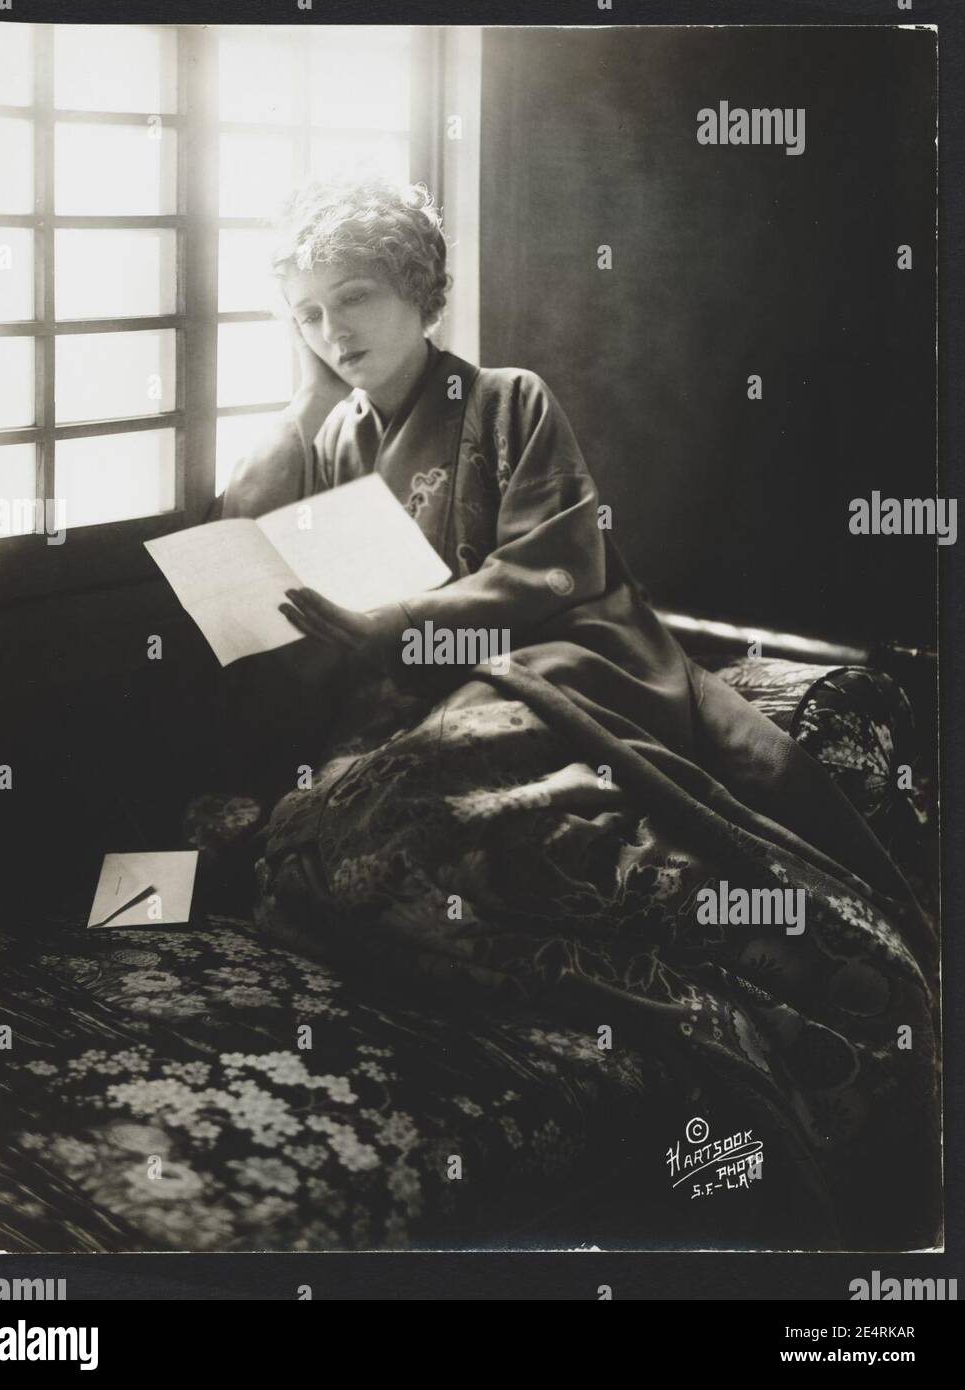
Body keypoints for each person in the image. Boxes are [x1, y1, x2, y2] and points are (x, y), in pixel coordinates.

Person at [216, 177, 939, 1250]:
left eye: (353, 298)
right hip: (436, 677)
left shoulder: (508, 397)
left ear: (424, 292)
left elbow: (558, 563)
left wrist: (398, 619)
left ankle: (776, 944)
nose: (331, 331)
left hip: (567, 653)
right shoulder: (336, 437)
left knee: (441, 773)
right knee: (351, 817)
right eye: (307, 313)